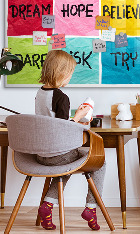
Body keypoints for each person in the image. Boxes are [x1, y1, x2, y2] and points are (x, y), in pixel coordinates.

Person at [35, 50, 105, 231]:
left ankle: (47, 206)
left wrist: (74, 118)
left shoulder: (40, 93)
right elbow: (63, 129)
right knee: (100, 162)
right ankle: (91, 208)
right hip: (58, 154)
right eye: (70, 73)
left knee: (65, 165)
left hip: (41, 154)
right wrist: (80, 116)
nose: (70, 78)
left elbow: (52, 122)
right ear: (61, 73)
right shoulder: (61, 97)